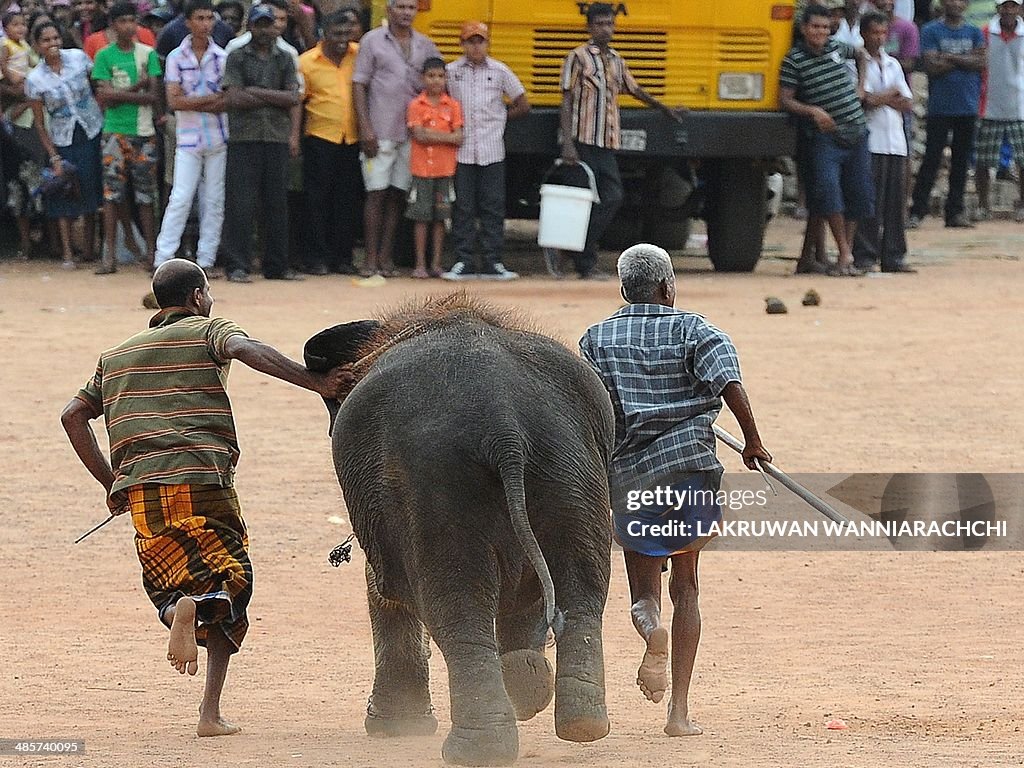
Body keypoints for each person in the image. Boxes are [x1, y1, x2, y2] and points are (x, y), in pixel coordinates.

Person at [60, 259, 349, 738]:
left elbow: (73, 416)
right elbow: (246, 348)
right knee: (231, 582)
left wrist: (110, 482)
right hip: (203, 480)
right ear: (197, 296)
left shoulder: (114, 357)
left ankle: (190, 649)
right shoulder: (209, 328)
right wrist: (314, 381)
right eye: (208, 293)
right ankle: (208, 707)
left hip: (144, 491)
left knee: (167, 587)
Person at [579, 243, 771, 737]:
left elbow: (587, 411)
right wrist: (752, 441)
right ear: (668, 287)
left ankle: (650, 628)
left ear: (624, 290)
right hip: (691, 470)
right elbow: (728, 381)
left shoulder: (596, 339)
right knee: (685, 587)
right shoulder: (693, 328)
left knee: (644, 594)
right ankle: (679, 714)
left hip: (631, 477)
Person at [558, 3, 684, 280]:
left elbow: (635, 89)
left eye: (610, 24)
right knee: (584, 203)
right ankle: (584, 262)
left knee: (613, 197)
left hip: (607, 142)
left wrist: (666, 109)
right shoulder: (577, 58)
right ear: (589, 27)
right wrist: (566, 142)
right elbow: (566, 100)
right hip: (583, 142)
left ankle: (579, 253)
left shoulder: (616, 60)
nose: (606, 29)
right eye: (600, 24)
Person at [780, 3, 873, 276]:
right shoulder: (794, 60)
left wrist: (860, 87)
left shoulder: (837, 47)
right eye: (815, 27)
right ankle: (844, 254)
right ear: (804, 28)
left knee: (859, 193)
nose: (820, 32)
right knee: (829, 193)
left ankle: (845, 255)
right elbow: (785, 100)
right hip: (825, 137)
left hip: (857, 130)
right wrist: (813, 111)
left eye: (824, 27)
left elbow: (861, 54)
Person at [352, 0, 440, 277]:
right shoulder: (372, 41)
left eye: (411, 8)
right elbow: (359, 84)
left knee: (397, 196)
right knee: (375, 194)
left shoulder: (426, 45)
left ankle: (387, 260)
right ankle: (370, 260)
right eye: (400, 7)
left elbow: (436, 83)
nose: (406, 13)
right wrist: (365, 127)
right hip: (379, 131)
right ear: (389, 10)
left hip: (412, 134)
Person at [220, 3, 302, 282]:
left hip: (276, 138)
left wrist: (254, 92)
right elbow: (233, 97)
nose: (265, 30)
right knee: (240, 204)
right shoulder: (237, 56)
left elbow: (294, 98)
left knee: (276, 204)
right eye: (260, 24)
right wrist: (274, 96)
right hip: (244, 137)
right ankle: (237, 265)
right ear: (250, 26)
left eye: (269, 24)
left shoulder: (286, 57)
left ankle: (276, 266)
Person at [442, 20, 529, 281]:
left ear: (487, 43)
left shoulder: (499, 71)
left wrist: (501, 118)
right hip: (462, 149)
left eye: (480, 41)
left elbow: (522, 103)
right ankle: (464, 260)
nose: (476, 46)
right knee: (463, 207)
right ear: (463, 44)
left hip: (492, 149)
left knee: (492, 207)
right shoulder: (451, 72)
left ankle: (493, 261)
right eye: (471, 41)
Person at [154, 0, 228, 275]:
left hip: (217, 137)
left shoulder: (222, 56)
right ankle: (163, 258)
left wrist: (190, 101)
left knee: (214, 200)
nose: (206, 23)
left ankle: (205, 260)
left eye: (210, 18)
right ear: (188, 22)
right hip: (188, 137)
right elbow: (173, 102)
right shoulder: (176, 57)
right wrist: (209, 100)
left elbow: (225, 101)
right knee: (181, 197)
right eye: (200, 18)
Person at [25, 21, 104, 268]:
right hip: (63, 138)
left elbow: (97, 86)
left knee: (91, 187)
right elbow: (39, 123)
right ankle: (68, 253)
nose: (53, 44)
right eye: (46, 40)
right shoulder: (34, 79)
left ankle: (90, 250)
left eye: (56, 38)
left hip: (92, 130)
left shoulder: (79, 59)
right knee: (64, 192)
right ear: (37, 45)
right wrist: (54, 156)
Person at [91, 1, 162, 274]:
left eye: (132, 21)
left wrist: (121, 95)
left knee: (146, 196)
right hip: (115, 131)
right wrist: (139, 86)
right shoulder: (104, 56)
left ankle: (151, 254)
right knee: (112, 195)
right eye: (123, 21)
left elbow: (154, 97)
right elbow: (105, 98)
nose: (129, 26)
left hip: (143, 132)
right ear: (113, 25)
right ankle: (109, 256)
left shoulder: (148, 53)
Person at [908, 0, 984, 229]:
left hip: (967, 105)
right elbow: (932, 67)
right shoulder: (931, 30)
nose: (955, 3)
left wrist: (948, 57)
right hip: (940, 107)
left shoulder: (974, 31)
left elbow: (981, 62)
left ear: (966, 4)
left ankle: (954, 213)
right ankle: (917, 211)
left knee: (961, 162)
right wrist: (965, 59)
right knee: (931, 159)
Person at [297, 6, 361, 275]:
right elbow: (299, 104)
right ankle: (316, 258)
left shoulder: (360, 56)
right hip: (319, 138)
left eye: (347, 30)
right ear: (324, 32)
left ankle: (343, 259)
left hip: (353, 139)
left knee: (347, 201)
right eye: (337, 31)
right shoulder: (307, 62)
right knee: (316, 201)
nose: (342, 36)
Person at [853, 12, 916, 272]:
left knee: (895, 203)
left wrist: (883, 97)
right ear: (864, 34)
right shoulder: (856, 62)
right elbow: (864, 99)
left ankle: (894, 256)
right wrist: (890, 95)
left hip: (895, 141)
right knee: (870, 201)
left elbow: (908, 102)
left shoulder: (893, 64)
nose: (879, 38)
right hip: (872, 140)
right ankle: (866, 254)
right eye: (874, 33)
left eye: (882, 33)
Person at [405, 56, 462, 278]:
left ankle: (436, 263)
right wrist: (446, 136)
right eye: (431, 76)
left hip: (444, 170)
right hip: (421, 170)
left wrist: (431, 135)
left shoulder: (453, 105)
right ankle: (420, 263)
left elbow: (459, 137)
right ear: (422, 78)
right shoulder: (416, 105)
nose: (436, 81)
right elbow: (418, 135)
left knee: (440, 218)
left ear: (446, 79)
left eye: (440, 76)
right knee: (421, 217)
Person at [974, 0, 1024, 221]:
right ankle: (983, 205)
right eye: (1005, 6)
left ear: (1019, 9)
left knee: (1022, 161)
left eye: (1013, 6)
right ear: (998, 8)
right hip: (989, 104)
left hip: (1020, 105)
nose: (1008, 10)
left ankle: (1022, 204)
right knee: (983, 161)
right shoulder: (985, 32)